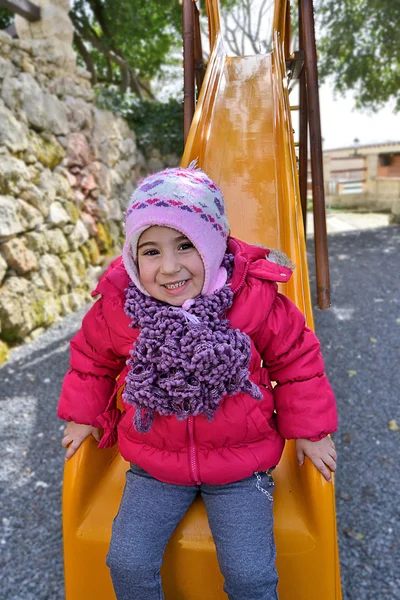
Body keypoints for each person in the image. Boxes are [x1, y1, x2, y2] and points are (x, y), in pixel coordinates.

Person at [58, 163, 337, 600]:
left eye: (185, 245)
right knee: (126, 561)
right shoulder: (123, 307)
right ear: (133, 257)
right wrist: (82, 416)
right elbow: (91, 359)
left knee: (251, 576)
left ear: (211, 244)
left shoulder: (251, 299)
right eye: (150, 252)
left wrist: (310, 431)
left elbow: (296, 358)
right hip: (156, 464)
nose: (169, 268)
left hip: (241, 466)